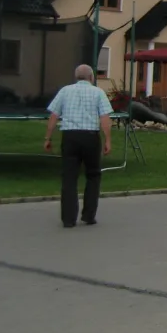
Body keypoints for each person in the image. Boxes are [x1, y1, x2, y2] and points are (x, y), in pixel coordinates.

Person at [44, 64, 113, 228]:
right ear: (91, 77)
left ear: (76, 77)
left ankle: (68, 218)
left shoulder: (65, 91)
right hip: (90, 136)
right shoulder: (98, 92)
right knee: (93, 175)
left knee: (69, 177)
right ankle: (88, 215)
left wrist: (48, 138)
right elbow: (104, 118)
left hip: (70, 136)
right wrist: (107, 140)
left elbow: (54, 115)